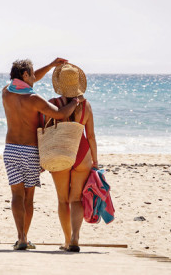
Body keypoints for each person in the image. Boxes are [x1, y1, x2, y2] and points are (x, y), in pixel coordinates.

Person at [2, 57, 85, 251]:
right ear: (25, 75)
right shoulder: (34, 99)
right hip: (30, 151)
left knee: (16, 195)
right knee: (28, 198)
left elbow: (29, 80)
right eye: (31, 73)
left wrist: (49, 66)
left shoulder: (6, 93)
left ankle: (21, 238)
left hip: (11, 150)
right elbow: (61, 114)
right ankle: (25, 237)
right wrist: (75, 102)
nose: (34, 76)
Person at [46, 63, 97, 253]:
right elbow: (91, 136)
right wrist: (96, 160)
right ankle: (75, 237)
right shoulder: (86, 105)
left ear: (60, 84)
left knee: (62, 200)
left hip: (61, 152)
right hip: (82, 153)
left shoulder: (54, 103)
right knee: (76, 199)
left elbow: (45, 130)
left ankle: (67, 241)